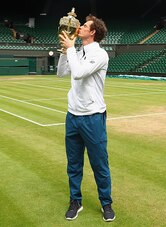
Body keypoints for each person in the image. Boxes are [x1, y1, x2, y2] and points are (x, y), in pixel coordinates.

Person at [57, 14, 115, 222]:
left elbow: (80, 73)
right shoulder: (77, 52)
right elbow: (61, 73)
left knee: (99, 164)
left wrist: (71, 48)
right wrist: (65, 51)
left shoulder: (100, 55)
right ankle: (75, 201)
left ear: (93, 32)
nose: (78, 27)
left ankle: (106, 203)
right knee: (73, 164)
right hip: (73, 115)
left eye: (84, 26)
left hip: (93, 117)